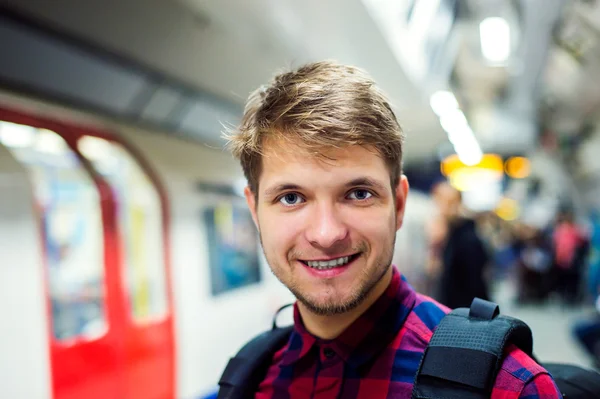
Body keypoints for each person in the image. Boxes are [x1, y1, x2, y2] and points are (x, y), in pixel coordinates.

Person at [224, 61, 561, 398]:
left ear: (398, 204)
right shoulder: (250, 379)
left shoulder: (510, 388)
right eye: (291, 197)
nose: (326, 234)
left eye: (358, 194)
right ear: (254, 210)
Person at [431, 182, 491, 309]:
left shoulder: (467, 238)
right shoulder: (445, 235)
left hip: (462, 316)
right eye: (439, 201)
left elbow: (476, 286)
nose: (443, 207)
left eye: (449, 202)